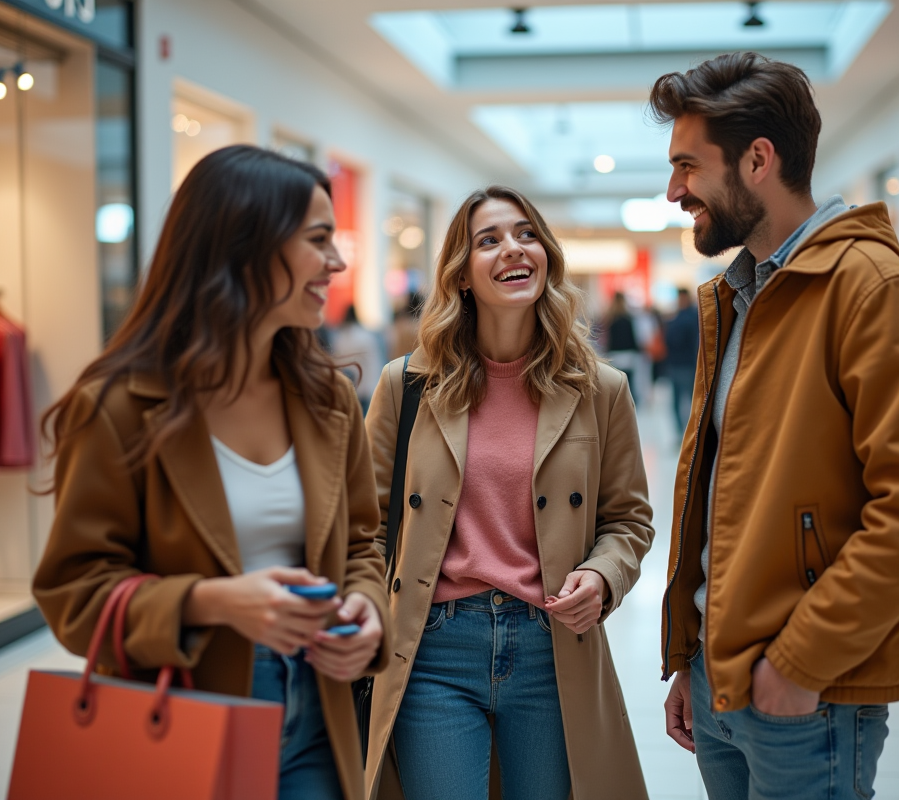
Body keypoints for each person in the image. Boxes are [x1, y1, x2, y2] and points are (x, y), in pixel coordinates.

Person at [652, 53, 899, 799]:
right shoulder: (741, 295)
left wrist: (799, 661)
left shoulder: (872, 290)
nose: (674, 192)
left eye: (689, 167)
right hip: (721, 676)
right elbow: (729, 495)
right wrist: (694, 656)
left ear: (758, 159)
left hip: (807, 690)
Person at [32, 145, 389, 800]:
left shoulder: (326, 397)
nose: (337, 263)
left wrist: (366, 610)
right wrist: (214, 601)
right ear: (245, 247)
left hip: (320, 712)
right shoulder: (118, 406)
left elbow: (364, 542)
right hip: (182, 710)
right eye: (318, 240)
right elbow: (73, 594)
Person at [364, 186, 655, 800]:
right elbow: (363, 524)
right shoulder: (407, 386)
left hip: (551, 649)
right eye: (488, 240)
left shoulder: (599, 389)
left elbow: (628, 520)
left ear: (545, 255)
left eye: (526, 235)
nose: (512, 249)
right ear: (461, 274)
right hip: (434, 649)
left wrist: (602, 577)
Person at [331, 304, 386, 413]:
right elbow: (374, 362)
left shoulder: (340, 337)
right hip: (365, 385)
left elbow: (337, 361)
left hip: (346, 386)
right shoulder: (365, 336)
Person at [664, 288, 699, 435]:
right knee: (689, 400)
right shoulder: (694, 316)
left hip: (683, 364)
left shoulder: (679, 319)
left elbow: (671, 340)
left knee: (682, 401)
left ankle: (687, 431)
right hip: (686, 364)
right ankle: (691, 431)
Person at [605, 291, 643, 405]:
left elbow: (609, 339)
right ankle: (629, 404)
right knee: (629, 382)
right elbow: (632, 338)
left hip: (614, 354)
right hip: (628, 354)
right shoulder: (628, 319)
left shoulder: (610, 319)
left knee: (617, 382)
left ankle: (618, 404)